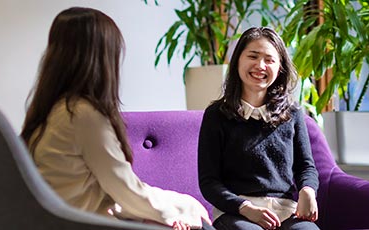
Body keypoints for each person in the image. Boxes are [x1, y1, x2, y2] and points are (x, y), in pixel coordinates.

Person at [20, 7, 211, 230]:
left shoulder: (50, 111)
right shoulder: (82, 115)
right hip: (88, 224)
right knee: (198, 219)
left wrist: (177, 206)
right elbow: (124, 190)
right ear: (101, 58)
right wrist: (180, 210)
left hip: (68, 220)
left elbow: (109, 192)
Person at [197, 27, 320, 230]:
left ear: (280, 67)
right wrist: (245, 207)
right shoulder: (216, 114)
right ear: (237, 60)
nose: (260, 65)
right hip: (237, 212)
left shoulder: (293, 113)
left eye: (269, 60)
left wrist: (308, 190)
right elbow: (209, 182)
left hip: (285, 211)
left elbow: (306, 166)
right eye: (253, 56)